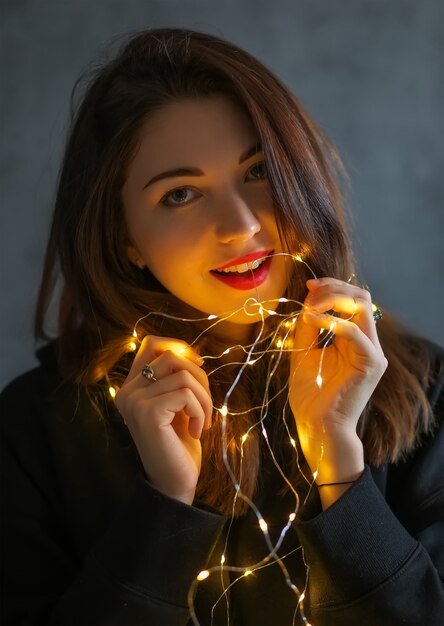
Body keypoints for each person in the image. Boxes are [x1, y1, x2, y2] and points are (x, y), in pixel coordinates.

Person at [0, 27, 443, 626]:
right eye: (180, 194)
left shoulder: (428, 390)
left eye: (259, 171)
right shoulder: (34, 429)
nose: (239, 226)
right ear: (124, 236)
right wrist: (164, 508)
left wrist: (341, 465)